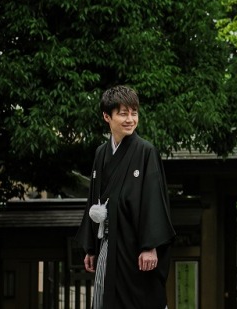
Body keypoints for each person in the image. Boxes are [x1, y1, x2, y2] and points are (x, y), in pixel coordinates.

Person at [75, 85, 176, 309]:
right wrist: (91, 247)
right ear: (106, 116)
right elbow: (94, 199)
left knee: (141, 300)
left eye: (134, 112)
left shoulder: (145, 151)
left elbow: (154, 200)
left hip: (136, 246)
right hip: (108, 243)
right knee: (105, 298)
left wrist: (150, 246)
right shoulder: (101, 153)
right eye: (123, 113)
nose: (130, 119)